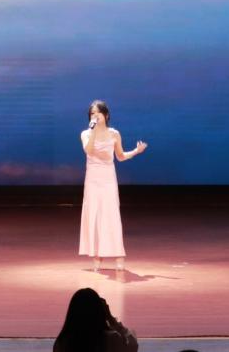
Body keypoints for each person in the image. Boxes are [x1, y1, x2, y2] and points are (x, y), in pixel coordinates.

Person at [79, 100, 147, 271]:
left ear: (106, 115)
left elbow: (120, 156)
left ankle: (118, 256)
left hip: (108, 178)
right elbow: (88, 150)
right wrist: (92, 130)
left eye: (98, 113)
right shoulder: (86, 133)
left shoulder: (114, 134)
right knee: (94, 214)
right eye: (92, 113)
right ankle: (96, 256)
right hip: (92, 179)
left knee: (111, 215)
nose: (95, 116)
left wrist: (136, 151)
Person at [53, 287, 138, 352]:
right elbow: (133, 346)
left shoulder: (61, 343)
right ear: (100, 311)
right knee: (132, 332)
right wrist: (111, 319)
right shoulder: (111, 339)